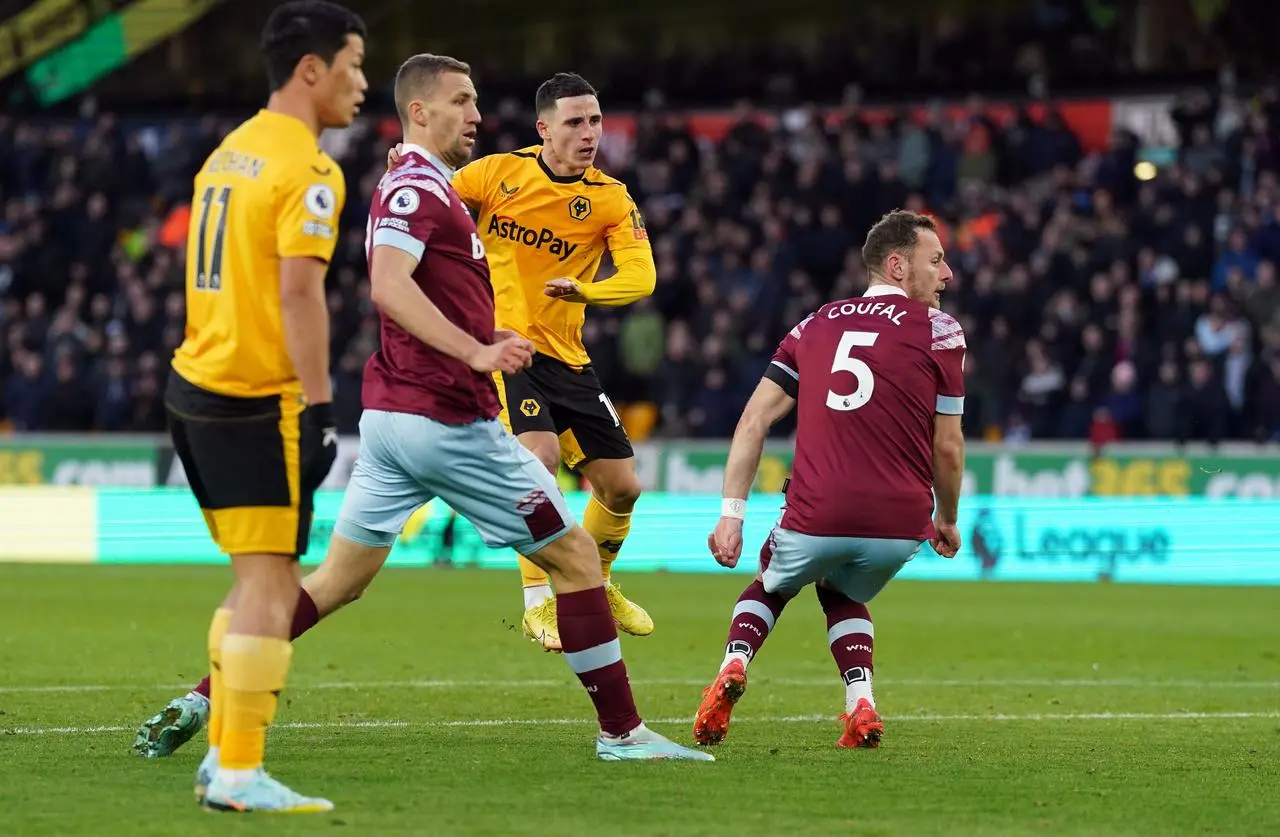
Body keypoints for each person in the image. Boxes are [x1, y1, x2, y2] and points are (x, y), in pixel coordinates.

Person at [131, 73, 656, 759]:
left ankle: (202, 693)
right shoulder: (432, 187)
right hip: (445, 418)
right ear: (420, 109)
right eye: (463, 102)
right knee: (578, 555)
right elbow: (387, 283)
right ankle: (621, 731)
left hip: (389, 420)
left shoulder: (428, 182)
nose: (476, 113)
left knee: (335, 581)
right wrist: (478, 349)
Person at [155, 0, 366, 813]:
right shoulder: (309, 170)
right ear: (311, 69)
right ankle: (239, 772)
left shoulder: (230, 151)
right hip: (253, 399)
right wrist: (319, 408)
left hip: (193, 385)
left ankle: (221, 759)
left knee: (255, 580)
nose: (361, 81)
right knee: (273, 588)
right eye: (352, 63)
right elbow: (299, 292)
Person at [390, 72, 656, 651]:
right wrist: (405, 167)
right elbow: (429, 199)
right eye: (575, 122)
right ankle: (539, 599)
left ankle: (598, 583)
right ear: (544, 128)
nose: (589, 133)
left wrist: (587, 291)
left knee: (623, 486)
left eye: (595, 121)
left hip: (570, 358)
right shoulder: (496, 174)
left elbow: (642, 274)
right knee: (538, 458)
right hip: (508, 350)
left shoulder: (610, 198)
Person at [691, 210, 966, 750]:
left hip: (817, 513)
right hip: (900, 525)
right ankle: (860, 702)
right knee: (839, 589)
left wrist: (731, 515)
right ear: (896, 265)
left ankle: (733, 664)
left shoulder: (811, 325)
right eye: (935, 261)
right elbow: (949, 446)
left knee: (773, 582)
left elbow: (754, 420)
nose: (948, 273)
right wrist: (948, 519)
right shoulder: (942, 331)